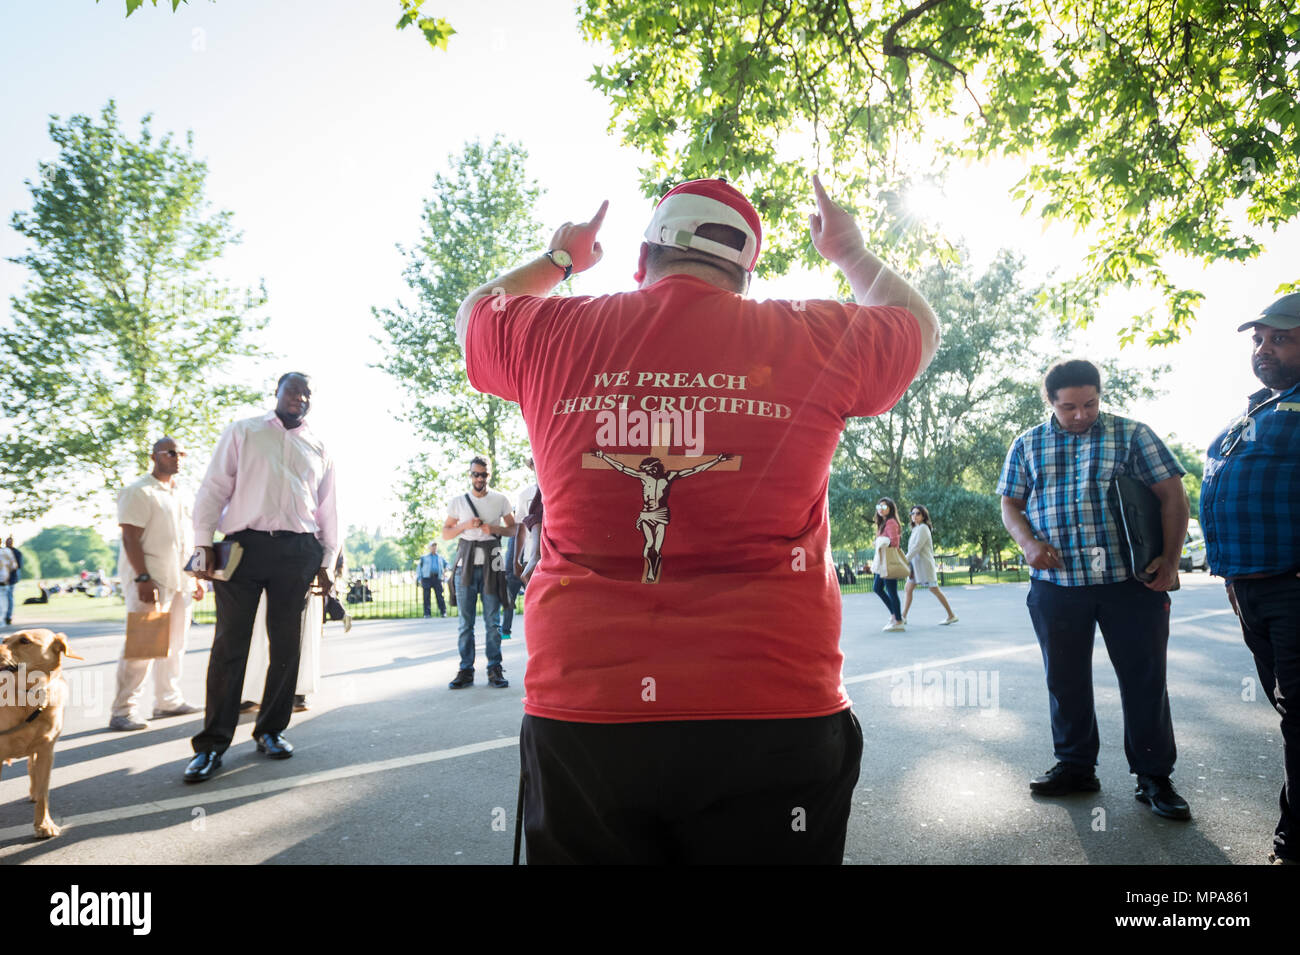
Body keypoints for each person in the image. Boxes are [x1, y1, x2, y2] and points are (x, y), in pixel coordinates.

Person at [455, 174, 939, 863]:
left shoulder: (549, 332)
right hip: (773, 706)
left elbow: (475, 311)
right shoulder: (813, 334)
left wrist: (559, 260)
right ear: (744, 273)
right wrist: (851, 253)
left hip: (590, 708)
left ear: (642, 257)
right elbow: (921, 327)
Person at [998, 358, 1191, 819]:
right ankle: (1076, 766)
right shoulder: (1027, 444)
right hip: (1057, 585)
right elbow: (1010, 503)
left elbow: (1172, 495)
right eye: (1069, 407)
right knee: (1064, 680)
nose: (1081, 414)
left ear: (1100, 396)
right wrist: (1028, 543)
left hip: (1132, 583)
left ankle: (1153, 777)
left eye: (1089, 404)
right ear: (1050, 402)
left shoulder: (1133, 434)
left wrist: (1170, 557)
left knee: (1144, 680)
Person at [184, 372, 337, 783]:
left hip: (298, 552)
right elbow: (214, 488)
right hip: (243, 548)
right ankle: (212, 744)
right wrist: (201, 543)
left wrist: (327, 560)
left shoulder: (318, 445)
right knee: (229, 646)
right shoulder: (243, 431)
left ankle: (271, 730)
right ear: (277, 393)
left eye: (307, 392)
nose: (299, 397)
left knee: (287, 646)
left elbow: (328, 509)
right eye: (293, 390)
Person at [1200, 292, 1300, 864]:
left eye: (1280, 338)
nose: (1264, 348)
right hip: (1252, 586)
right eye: (1259, 339)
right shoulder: (1264, 406)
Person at [109, 437, 205, 731]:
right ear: (154, 456)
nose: (178, 457)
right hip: (151, 580)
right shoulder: (138, 491)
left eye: (182, 453)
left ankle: (168, 701)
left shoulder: (182, 495)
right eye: (171, 452)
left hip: (181, 581)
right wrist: (141, 576)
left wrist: (197, 578)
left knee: (176, 645)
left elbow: (186, 541)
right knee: (144, 645)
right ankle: (123, 710)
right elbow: (129, 537)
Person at [443, 456, 515, 689]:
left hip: (491, 565)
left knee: (492, 622)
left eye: (483, 474)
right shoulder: (458, 502)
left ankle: (494, 667)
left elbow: (513, 529)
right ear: (470, 475)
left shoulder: (500, 499)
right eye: (475, 474)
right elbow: (446, 533)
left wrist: (492, 528)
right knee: (466, 623)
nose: (479, 478)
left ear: (489, 475)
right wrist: (465, 526)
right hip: (465, 566)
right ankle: (466, 669)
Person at [901, 505, 957, 625]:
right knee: (908, 588)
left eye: (917, 513)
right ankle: (903, 616)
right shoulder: (916, 528)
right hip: (915, 566)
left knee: (934, 589)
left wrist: (904, 560)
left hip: (924, 565)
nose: (914, 516)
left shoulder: (923, 528)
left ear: (923, 516)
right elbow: (913, 548)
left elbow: (916, 547)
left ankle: (951, 615)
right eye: (912, 514)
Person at [502, 457, 538, 638]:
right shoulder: (525, 495)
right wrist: (514, 563)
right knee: (514, 600)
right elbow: (520, 534)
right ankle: (506, 630)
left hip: (550, 554)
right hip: (526, 561)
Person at [871, 498, 906, 632]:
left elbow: (894, 542)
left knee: (891, 591)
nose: (881, 508)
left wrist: (881, 542)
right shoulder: (883, 523)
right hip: (882, 561)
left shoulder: (891, 522)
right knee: (877, 587)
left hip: (888, 561)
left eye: (884, 506)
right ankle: (895, 615)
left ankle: (898, 621)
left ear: (890, 508)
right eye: (879, 506)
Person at [417, 542, 448, 618]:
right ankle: (427, 613)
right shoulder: (424, 558)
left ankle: (443, 612)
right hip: (426, 578)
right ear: (429, 548)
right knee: (426, 596)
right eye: (432, 546)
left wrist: (446, 569)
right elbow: (419, 568)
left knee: (440, 595)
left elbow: (447, 564)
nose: (434, 548)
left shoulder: (440, 557)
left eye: (435, 546)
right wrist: (419, 578)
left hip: (437, 578)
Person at [3, 536, 22, 625]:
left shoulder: (16, 552)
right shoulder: (3, 551)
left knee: (9, 597)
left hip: (10, 579)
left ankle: (8, 616)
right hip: (3, 579)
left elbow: (17, 566)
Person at [0, 540, 15, 628]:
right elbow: (14, 566)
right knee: (3, 602)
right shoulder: (7, 552)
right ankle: (3, 620)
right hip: (3, 581)